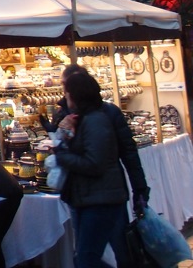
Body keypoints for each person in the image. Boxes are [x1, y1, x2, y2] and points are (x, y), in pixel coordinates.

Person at [46, 64, 150, 216]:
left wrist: (140, 190)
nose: (66, 91)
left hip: (105, 195)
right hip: (79, 195)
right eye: (65, 85)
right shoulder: (63, 114)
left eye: (70, 86)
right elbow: (64, 147)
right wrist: (61, 134)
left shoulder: (104, 115)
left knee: (114, 237)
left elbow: (128, 154)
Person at [52, 71, 130, 267]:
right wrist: (65, 134)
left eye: (67, 92)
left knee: (86, 259)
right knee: (85, 258)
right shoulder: (83, 119)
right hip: (89, 198)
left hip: (100, 200)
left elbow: (95, 163)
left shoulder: (96, 121)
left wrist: (62, 155)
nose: (65, 96)